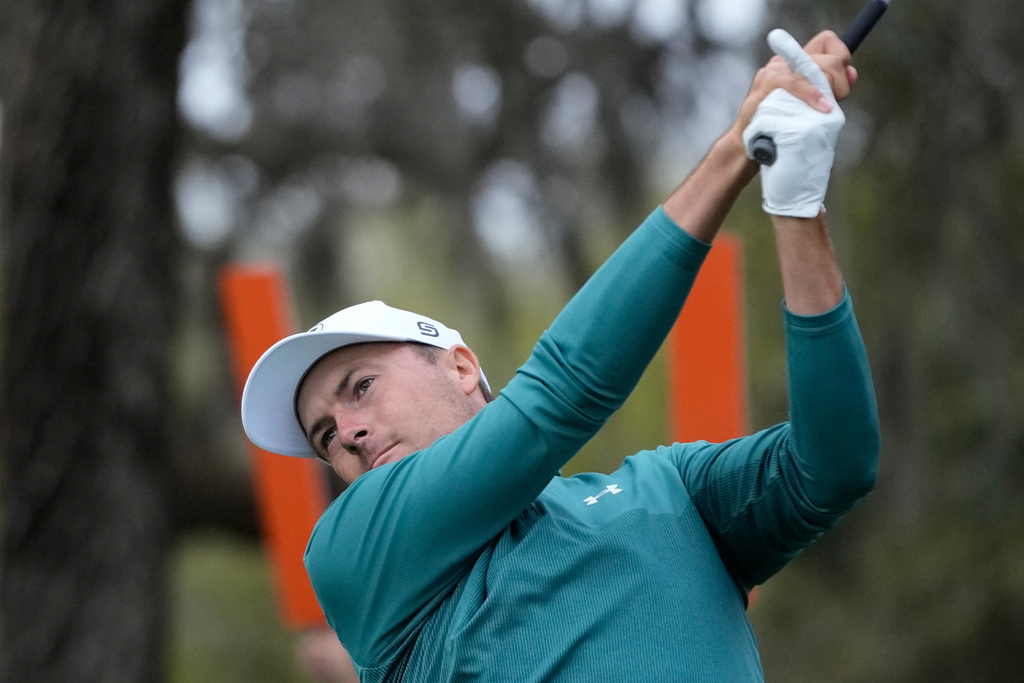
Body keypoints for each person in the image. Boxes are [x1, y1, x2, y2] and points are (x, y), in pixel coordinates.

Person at [242, 28, 879, 682]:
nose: (346, 432)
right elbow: (560, 394)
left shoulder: (668, 491)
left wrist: (798, 208)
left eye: (360, 386)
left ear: (461, 366)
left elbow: (833, 464)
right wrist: (734, 151)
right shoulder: (355, 556)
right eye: (323, 435)